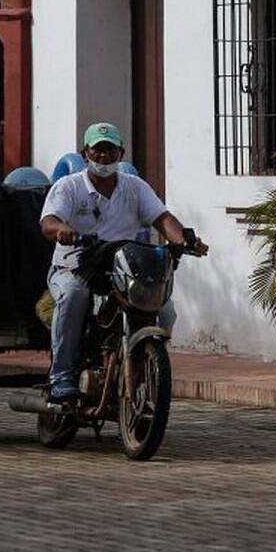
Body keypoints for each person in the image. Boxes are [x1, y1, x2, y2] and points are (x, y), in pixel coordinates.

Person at [39, 121, 208, 406]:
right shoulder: (68, 187)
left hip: (122, 269)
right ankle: (63, 377)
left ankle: (145, 364)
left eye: (110, 150)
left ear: (121, 152)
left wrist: (184, 241)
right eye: (98, 150)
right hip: (74, 268)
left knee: (164, 308)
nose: (104, 157)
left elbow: (162, 218)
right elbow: (48, 222)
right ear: (85, 153)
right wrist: (63, 230)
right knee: (73, 296)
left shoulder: (134, 187)